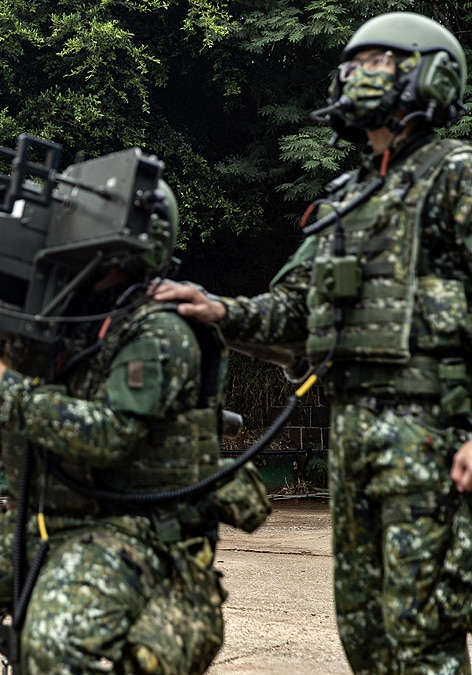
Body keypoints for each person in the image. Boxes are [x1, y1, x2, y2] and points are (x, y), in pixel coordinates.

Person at [152, 12, 472, 672]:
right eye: (352, 65)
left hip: (435, 438)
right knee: (367, 632)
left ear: (429, 76)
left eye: (377, 63)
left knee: (425, 635)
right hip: (354, 436)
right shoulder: (350, 195)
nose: (356, 76)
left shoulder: (455, 175)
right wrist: (215, 309)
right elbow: (295, 309)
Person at [0, 181, 246, 672]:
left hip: (131, 532)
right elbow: (16, 435)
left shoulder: (159, 330)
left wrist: (1, 382)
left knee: (52, 644)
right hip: (44, 521)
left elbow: (108, 438)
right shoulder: (58, 325)